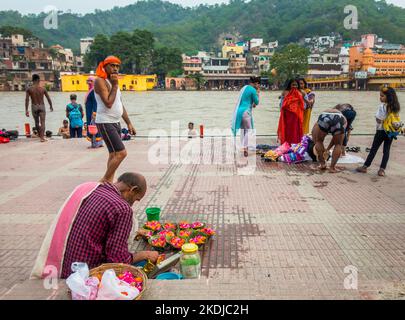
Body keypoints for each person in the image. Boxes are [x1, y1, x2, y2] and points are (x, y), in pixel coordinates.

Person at [30, 172, 159, 280]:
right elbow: (118, 260)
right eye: (136, 199)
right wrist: (144, 255)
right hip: (88, 274)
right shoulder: (122, 208)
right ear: (133, 189)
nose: (133, 204)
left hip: (66, 265)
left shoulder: (91, 189)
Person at [95, 56, 136, 183]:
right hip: (105, 121)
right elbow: (108, 103)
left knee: (113, 154)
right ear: (105, 66)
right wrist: (115, 85)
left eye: (117, 66)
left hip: (115, 122)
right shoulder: (100, 81)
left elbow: (119, 104)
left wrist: (129, 123)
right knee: (122, 153)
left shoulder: (113, 83)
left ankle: (109, 181)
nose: (115, 69)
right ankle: (104, 180)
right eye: (112, 65)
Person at [357, 87, 401, 177]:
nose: (380, 97)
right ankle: (382, 170)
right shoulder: (396, 107)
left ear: (388, 97)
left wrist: (377, 118)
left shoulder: (382, 106)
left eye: (382, 96)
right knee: (386, 150)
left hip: (381, 131)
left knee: (374, 149)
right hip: (391, 132)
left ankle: (365, 167)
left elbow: (379, 120)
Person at [312, 106, 347, 173]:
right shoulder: (343, 117)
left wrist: (316, 143)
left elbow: (314, 135)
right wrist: (328, 149)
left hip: (324, 115)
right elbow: (335, 140)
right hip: (338, 118)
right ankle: (332, 168)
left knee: (319, 141)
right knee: (338, 144)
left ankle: (322, 164)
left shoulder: (326, 112)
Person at [231, 77, 260, 157]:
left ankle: (245, 148)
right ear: (256, 83)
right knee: (249, 130)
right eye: (258, 84)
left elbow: (252, 104)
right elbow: (256, 102)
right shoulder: (253, 90)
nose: (258, 85)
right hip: (246, 112)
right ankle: (244, 147)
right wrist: (258, 93)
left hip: (239, 111)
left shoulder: (244, 88)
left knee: (243, 131)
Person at [25, 74, 53, 142]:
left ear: (33, 80)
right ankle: (42, 138)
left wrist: (26, 110)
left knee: (37, 122)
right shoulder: (43, 88)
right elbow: (48, 98)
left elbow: (27, 100)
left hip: (34, 106)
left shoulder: (29, 89)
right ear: (38, 80)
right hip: (41, 106)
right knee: (42, 122)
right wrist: (51, 106)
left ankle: (40, 137)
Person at [277, 79, 305, 145]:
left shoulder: (302, 93)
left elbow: (303, 105)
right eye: (293, 85)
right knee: (287, 130)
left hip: (297, 116)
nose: (294, 86)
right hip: (287, 116)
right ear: (290, 85)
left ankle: (296, 144)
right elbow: (282, 104)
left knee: (296, 130)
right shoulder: (285, 92)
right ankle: (287, 144)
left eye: (296, 85)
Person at [85, 76, 103, 148]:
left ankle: (95, 144)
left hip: (92, 112)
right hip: (89, 111)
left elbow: (95, 102)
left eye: (91, 81)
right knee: (93, 127)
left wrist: (94, 113)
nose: (89, 82)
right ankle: (99, 143)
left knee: (93, 128)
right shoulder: (90, 90)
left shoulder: (94, 91)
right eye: (88, 81)